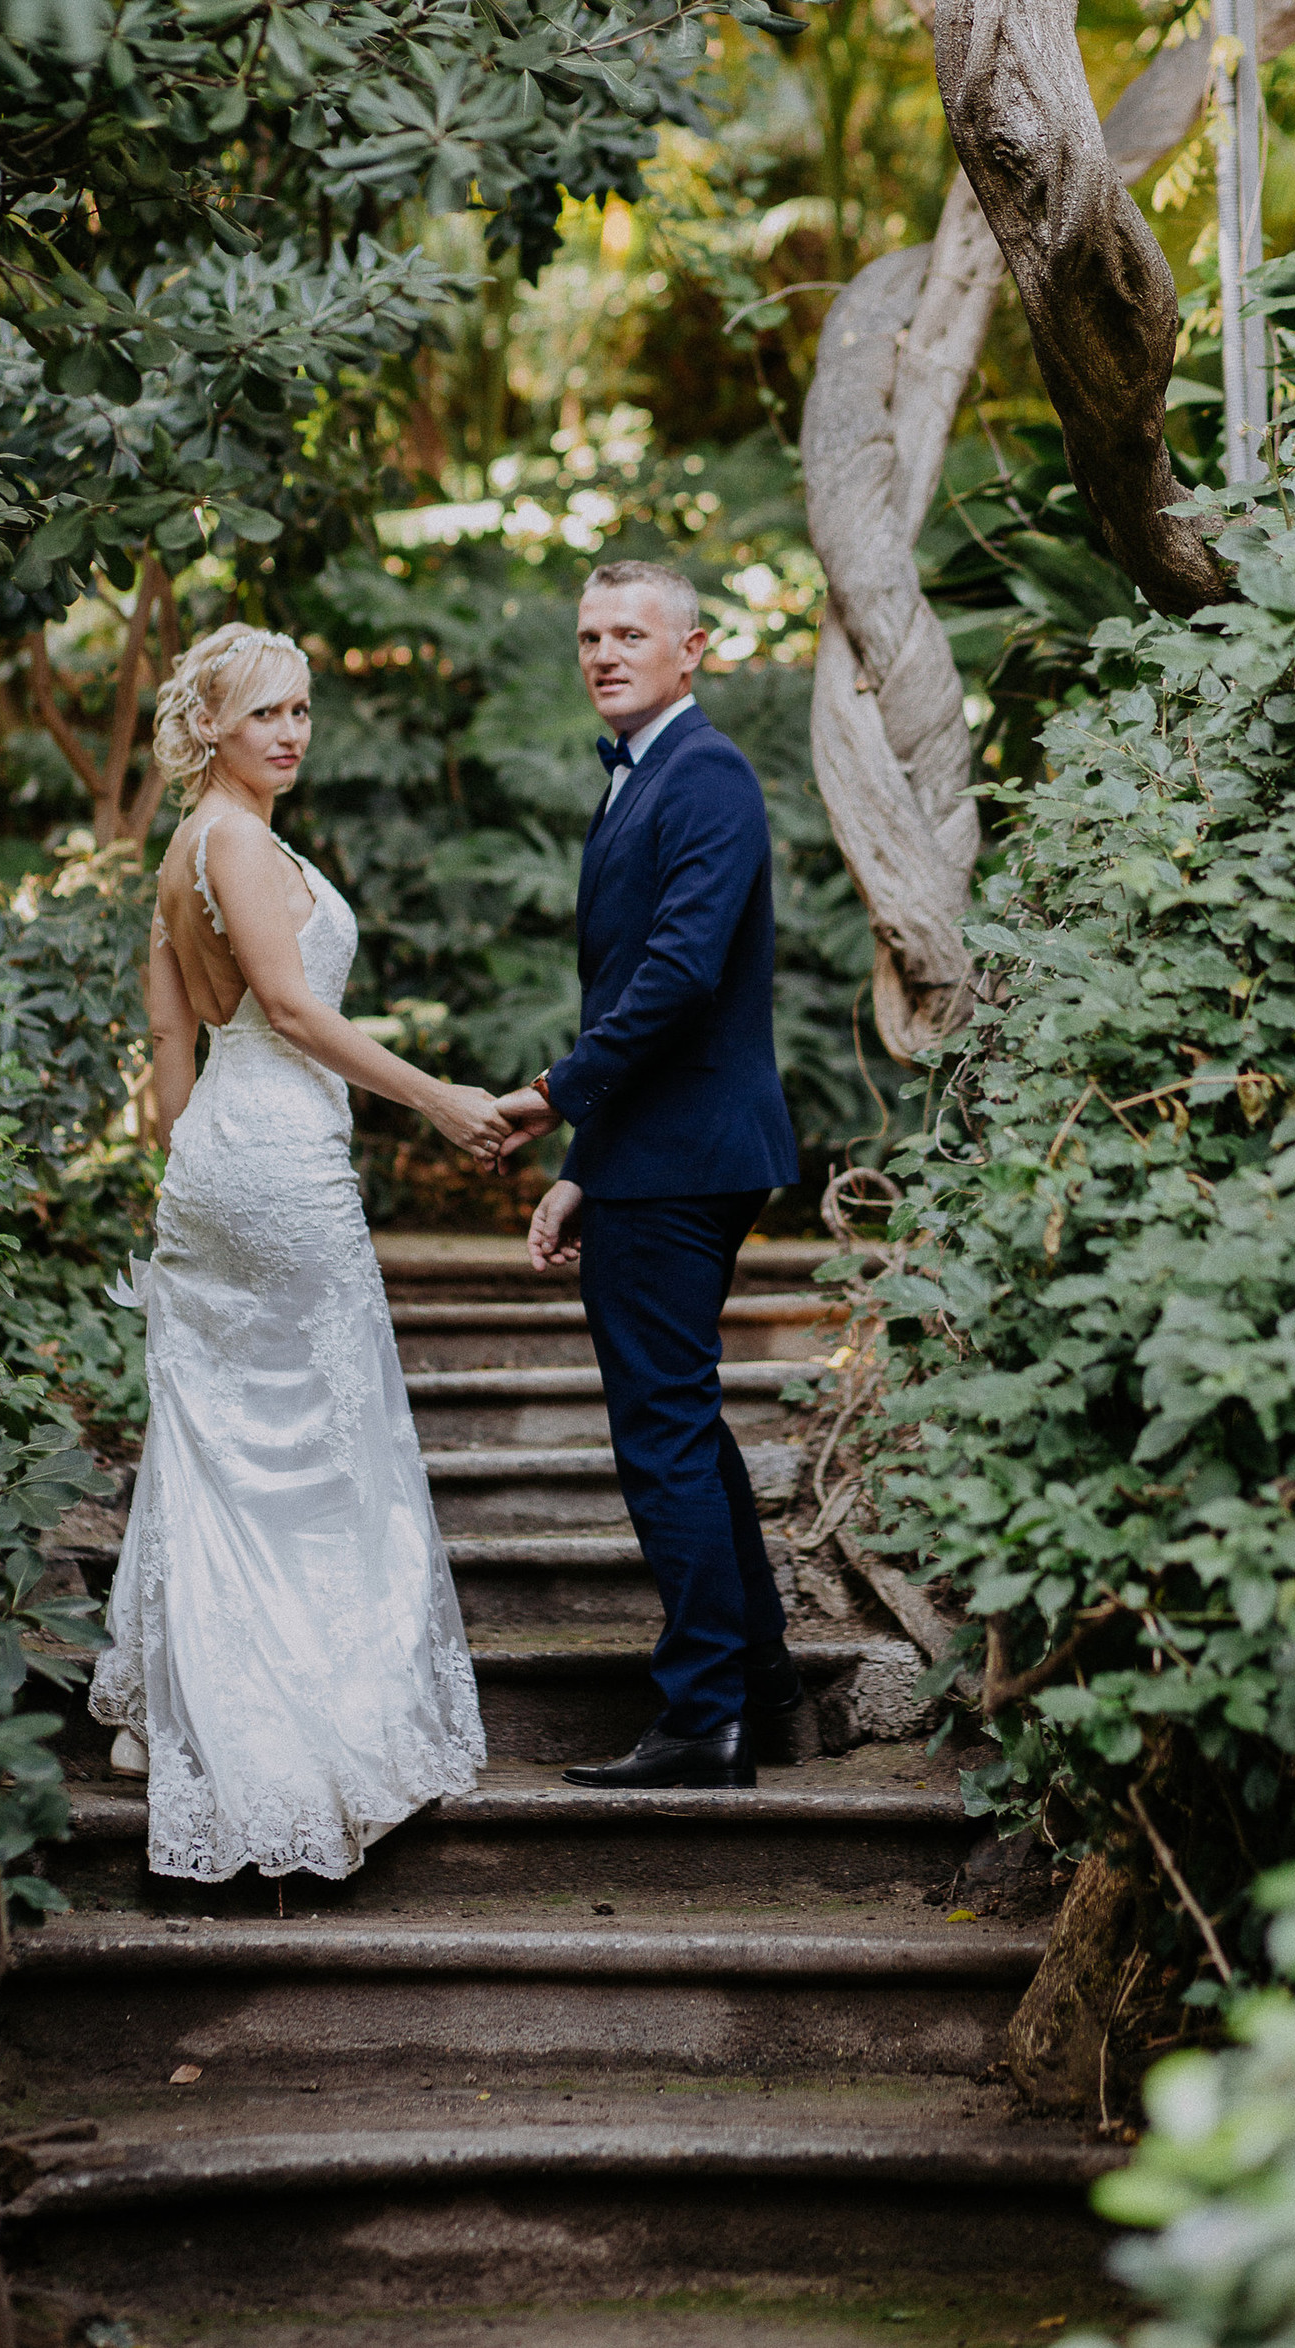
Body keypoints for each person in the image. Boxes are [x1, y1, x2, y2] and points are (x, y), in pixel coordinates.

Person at [90, 622, 501, 1881]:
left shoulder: (181, 851)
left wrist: (186, 1171)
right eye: (266, 712)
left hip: (214, 1156)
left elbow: (169, 1054)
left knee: (215, 1424)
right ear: (209, 724)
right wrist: (435, 1097)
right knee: (330, 1421)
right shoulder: (239, 843)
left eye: (303, 710)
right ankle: (304, 1714)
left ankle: (174, 1701)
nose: (292, 732)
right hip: (277, 1157)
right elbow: (291, 1010)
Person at [492, 561, 802, 1789]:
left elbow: (675, 979)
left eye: (632, 633)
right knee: (682, 1419)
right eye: (589, 635)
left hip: (692, 1156)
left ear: (694, 650)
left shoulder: (705, 773)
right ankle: (758, 1683)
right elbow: (639, 989)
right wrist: (583, 1166)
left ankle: (700, 1719)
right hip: (654, 1155)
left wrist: (554, 1094)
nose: (605, 653)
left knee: (659, 1432)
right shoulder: (640, 781)